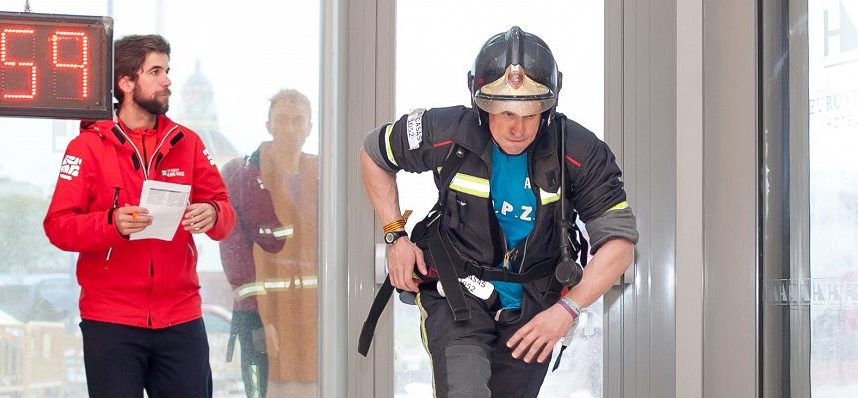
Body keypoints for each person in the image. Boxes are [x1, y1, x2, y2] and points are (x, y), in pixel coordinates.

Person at [358, 26, 638, 397]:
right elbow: (374, 154)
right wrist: (395, 234)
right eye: (504, 111)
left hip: (536, 308)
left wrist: (567, 309)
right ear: (480, 101)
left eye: (530, 111)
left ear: (549, 105)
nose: (517, 127)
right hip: (456, 293)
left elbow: (619, 245)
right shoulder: (446, 130)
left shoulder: (580, 152)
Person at [43, 34, 236, 398]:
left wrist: (212, 212)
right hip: (111, 320)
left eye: (167, 71)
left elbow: (226, 215)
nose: (167, 81)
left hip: (180, 317)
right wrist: (111, 223)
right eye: (156, 72)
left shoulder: (188, 142)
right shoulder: (85, 147)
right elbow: (58, 226)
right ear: (126, 82)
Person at [220, 89, 319, 397]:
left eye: (298, 120)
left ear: (310, 128)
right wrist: (255, 319)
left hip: (313, 317)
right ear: (269, 125)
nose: (290, 128)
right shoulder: (242, 175)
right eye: (282, 120)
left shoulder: (324, 174)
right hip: (263, 318)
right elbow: (234, 253)